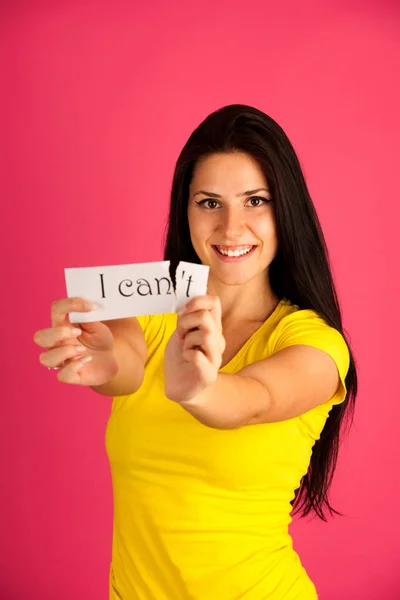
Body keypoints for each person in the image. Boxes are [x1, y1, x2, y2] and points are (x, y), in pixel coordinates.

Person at [33, 104, 358, 600]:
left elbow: (255, 399)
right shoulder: (151, 308)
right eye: (210, 203)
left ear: (286, 208)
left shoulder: (313, 343)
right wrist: (97, 363)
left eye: (255, 201)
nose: (231, 228)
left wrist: (201, 390)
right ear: (185, 211)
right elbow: (121, 362)